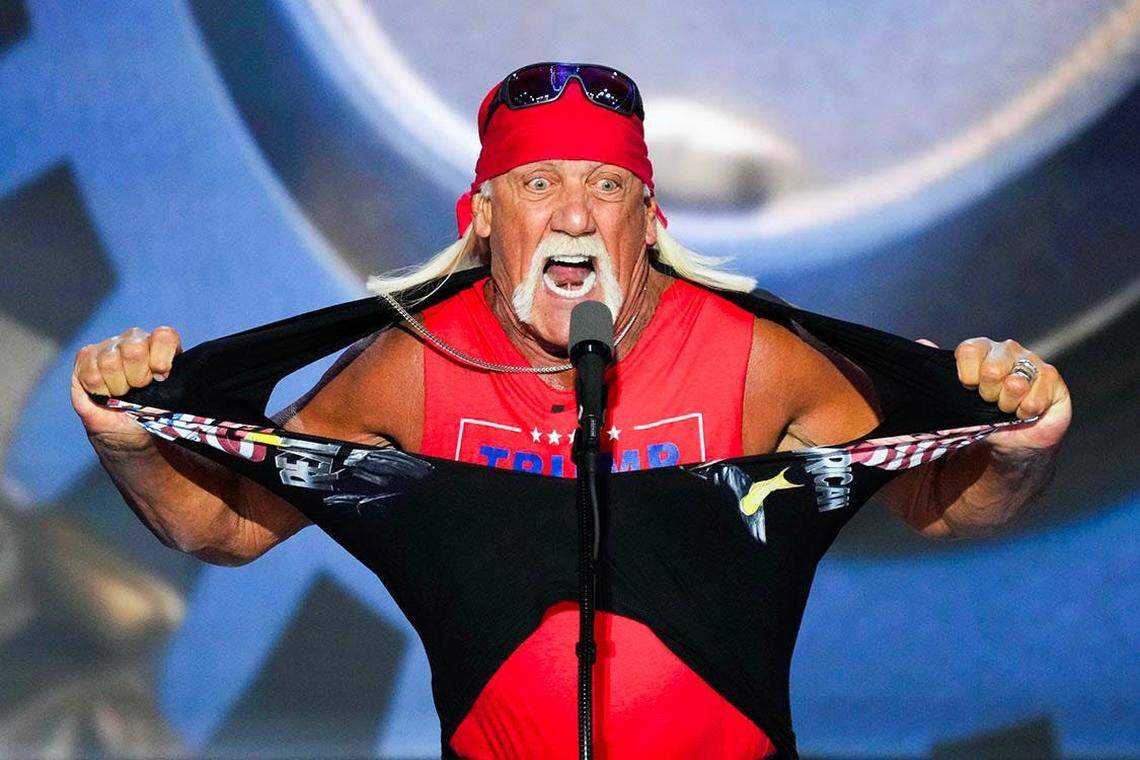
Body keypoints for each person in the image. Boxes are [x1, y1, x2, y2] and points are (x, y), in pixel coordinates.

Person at [70, 63, 1071, 759]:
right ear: (482, 217)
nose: (577, 213)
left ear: (650, 219)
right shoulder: (410, 368)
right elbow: (222, 523)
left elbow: (938, 500)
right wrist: (125, 440)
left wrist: (1023, 448)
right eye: (540, 181)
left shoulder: (753, 361)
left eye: (607, 184)